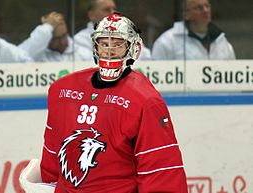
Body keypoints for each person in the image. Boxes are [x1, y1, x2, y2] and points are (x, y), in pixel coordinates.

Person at [20, 13, 188, 193]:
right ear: (95, 47)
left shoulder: (145, 101)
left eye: (117, 45)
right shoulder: (62, 91)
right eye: (104, 44)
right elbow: (53, 159)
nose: (109, 51)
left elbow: (160, 171)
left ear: (133, 49)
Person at [151, 0, 236, 60]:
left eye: (207, 6)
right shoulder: (166, 42)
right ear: (186, 14)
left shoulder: (222, 41)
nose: (205, 10)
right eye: (199, 8)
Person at [74, 0, 151, 60]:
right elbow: (91, 64)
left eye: (114, 9)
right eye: (106, 10)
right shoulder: (80, 39)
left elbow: (146, 57)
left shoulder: (128, 33)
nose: (113, 13)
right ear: (91, 15)